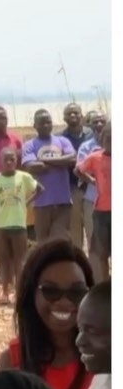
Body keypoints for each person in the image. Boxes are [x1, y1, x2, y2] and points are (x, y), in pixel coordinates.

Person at [0, 239, 94, 389]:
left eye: (76, 292)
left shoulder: (107, 359)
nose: (64, 301)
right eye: (50, 291)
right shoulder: (11, 363)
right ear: (31, 294)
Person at [0, 147, 41, 305]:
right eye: (5, 159)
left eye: (12, 159)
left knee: (19, 261)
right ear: (0, 161)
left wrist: (25, 204)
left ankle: (20, 293)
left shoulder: (24, 177)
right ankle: (5, 292)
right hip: (0, 225)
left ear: (16, 160)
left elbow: (39, 189)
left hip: (19, 225)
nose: (9, 162)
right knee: (4, 261)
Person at [21, 110, 77, 243]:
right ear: (35, 125)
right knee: (43, 242)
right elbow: (32, 168)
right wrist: (60, 162)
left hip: (63, 201)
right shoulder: (29, 145)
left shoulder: (63, 141)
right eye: (42, 123)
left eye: (49, 122)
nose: (46, 125)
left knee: (61, 239)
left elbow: (72, 160)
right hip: (41, 202)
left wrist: (43, 160)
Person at [77, 121, 112, 282]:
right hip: (101, 211)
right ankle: (104, 286)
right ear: (101, 138)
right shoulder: (95, 157)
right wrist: (92, 180)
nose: (111, 141)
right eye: (107, 138)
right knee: (101, 252)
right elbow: (78, 170)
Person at [57, 103, 93, 250]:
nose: (73, 116)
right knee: (75, 232)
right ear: (64, 118)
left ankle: (95, 268)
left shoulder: (92, 134)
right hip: (71, 189)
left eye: (76, 113)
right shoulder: (59, 138)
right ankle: (79, 266)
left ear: (82, 115)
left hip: (92, 188)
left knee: (93, 231)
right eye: (69, 113)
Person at [74, 111, 107, 255]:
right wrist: (94, 180)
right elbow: (79, 170)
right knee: (94, 240)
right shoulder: (86, 147)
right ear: (89, 125)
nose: (99, 125)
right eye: (95, 122)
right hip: (93, 200)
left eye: (102, 121)